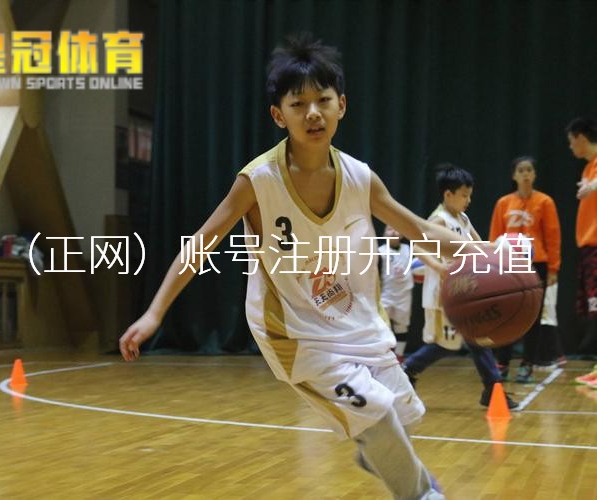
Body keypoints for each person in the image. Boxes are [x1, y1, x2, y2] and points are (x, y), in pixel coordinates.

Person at [118, 34, 470, 499]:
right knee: (378, 415)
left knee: (402, 414)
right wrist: (154, 313)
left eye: (323, 100)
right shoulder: (257, 181)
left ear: (342, 105)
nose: (313, 113)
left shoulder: (360, 178)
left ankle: (374, 450)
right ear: (278, 115)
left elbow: (419, 229)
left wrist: (486, 253)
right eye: (298, 104)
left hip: (356, 322)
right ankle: (423, 493)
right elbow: (200, 244)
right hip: (295, 335)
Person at [401, 165, 518, 409]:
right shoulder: (438, 219)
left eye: (470, 195)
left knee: (476, 337)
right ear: (448, 194)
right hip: (444, 292)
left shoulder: (463, 219)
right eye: (464, 195)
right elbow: (417, 247)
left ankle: (492, 388)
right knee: (447, 344)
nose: (469, 200)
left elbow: (479, 245)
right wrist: (439, 267)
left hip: (464, 290)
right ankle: (408, 369)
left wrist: (503, 249)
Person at [488, 156, 562, 382]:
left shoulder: (545, 202)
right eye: (521, 170)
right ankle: (502, 362)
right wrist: (492, 265)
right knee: (507, 313)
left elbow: (553, 237)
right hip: (508, 264)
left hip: (536, 264)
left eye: (529, 170)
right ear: (514, 175)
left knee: (532, 316)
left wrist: (553, 269)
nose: (525, 174)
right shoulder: (503, 203)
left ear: (535, 174)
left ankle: (527, 363)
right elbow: (494, 236)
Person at [566, 117, 597, 358]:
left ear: (581, 138)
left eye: (571, 141)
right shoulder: (588, 167)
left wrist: (593, 185)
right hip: (588, 245)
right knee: (592, 304)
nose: (570, 147)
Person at [378, 225, 414, 361]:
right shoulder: (380, 251)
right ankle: (384, 355)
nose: (393, 232)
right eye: (389, 229)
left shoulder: (408, 249)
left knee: (401, 326)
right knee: (382, 326)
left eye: (396, 229)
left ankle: (399, 356)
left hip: (404, 295)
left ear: (402, 234)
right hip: (385, 295)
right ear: (384, 234)